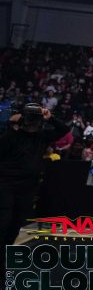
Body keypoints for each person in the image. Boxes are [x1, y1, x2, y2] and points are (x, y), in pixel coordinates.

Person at [1, 105, 69, 273]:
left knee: (16, 224)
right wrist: (12, 123)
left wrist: (50, 117)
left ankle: (3, 258)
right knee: (3, 221)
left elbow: (64, 129)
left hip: (27, 187)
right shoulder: (11, 136)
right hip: (6, 184)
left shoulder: (42, 137)